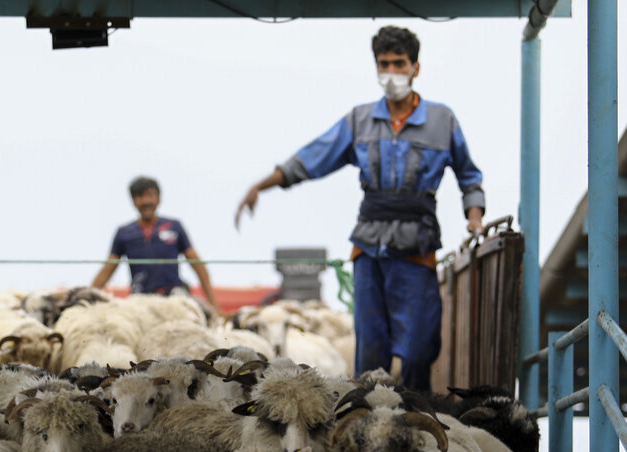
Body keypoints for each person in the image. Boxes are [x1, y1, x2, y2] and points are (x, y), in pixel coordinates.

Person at [234, 26, 485, 390]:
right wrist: (261, 185)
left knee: (418, 350)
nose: (391, 72)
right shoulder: (361, 120)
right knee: (370, 351)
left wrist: (474, 216)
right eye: (383, 64)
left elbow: (469, 175)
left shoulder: (441, 121)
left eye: (399, 63)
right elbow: (313, 157)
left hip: (416, 246)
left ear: (416, 67)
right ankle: (368, 420)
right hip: (369, 246)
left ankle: (417, 412)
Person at [92, 176, 219, 313]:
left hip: (174, 298)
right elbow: (106, 271)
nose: (146, 201)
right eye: (140, 196)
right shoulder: (124, 233)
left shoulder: (174, 227)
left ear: (158, 199)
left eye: (150, 195)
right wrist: (87, 299)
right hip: (140, 300)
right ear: (134, 201)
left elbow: (198, 265)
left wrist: (214, 306)